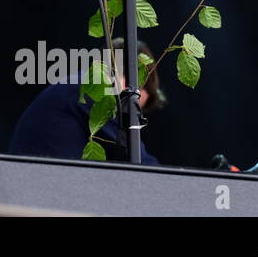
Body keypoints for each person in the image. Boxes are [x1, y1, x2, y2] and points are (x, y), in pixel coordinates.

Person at [8, 39, 166, 164]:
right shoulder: (98, 89)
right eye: (132, 109)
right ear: (136, 82)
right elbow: (138, 160)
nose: (128, 117)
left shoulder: (78, 86)